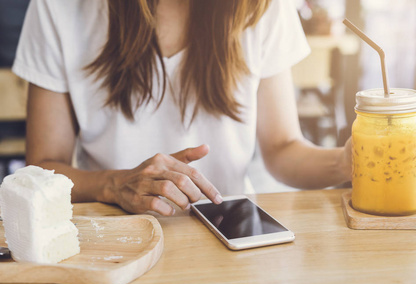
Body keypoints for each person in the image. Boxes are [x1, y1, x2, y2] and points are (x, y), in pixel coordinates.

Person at [13, 0, 352, 216]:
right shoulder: (57, 8)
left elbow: (281, 149)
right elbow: (42, 168)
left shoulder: (261, 7)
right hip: (115, 233)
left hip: (229, 232)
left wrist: (345, 163)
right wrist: (114, 184)